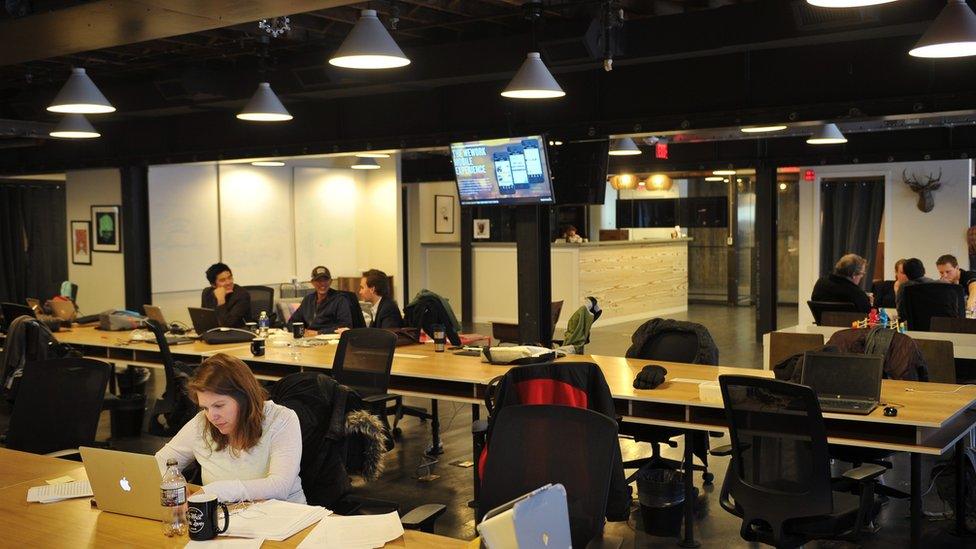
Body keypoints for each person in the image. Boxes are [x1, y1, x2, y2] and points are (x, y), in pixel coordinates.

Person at [154, 353, 305, 503]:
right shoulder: (201, 423)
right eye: (205, 408)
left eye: (219, 406)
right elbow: (160, 461)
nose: (212, 416)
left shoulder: (281, 419)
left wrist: (214, 491)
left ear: (244, 398)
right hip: (228, 519)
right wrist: (175, 484)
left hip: (286, 518)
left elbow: (279, 487)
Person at [287, 266, 352, 336]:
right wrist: (303, 331)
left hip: (330, 341)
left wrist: (318, 333)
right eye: (318, 280)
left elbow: (345, 326)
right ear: (312, 282)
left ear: (330, 281)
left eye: (325, 280)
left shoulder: (340, 300)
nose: (323, 283)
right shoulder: (308, 300)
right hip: (308, 341)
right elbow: (291, 322)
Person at [200, 262, 251, 328]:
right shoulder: (207, 293)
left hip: (237, 334)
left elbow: (227, 325)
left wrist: (221, 301)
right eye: (222, 280)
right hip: (215, 333)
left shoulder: (242, 295)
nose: (228, 282)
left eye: (230, 278)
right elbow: (204, 319)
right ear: (213, 285)